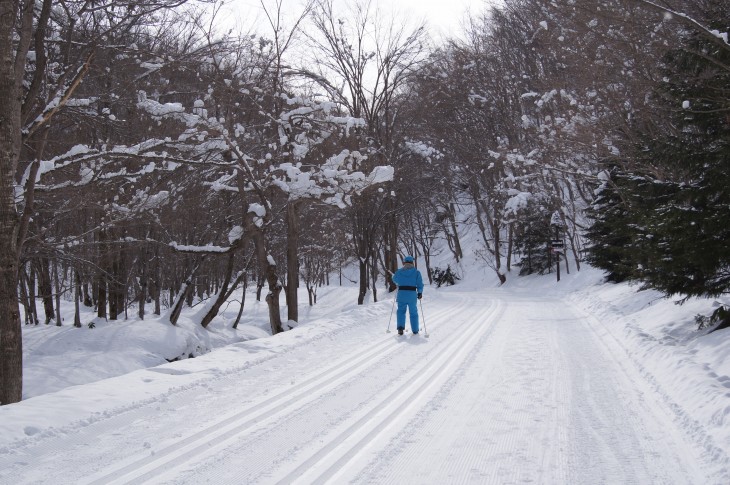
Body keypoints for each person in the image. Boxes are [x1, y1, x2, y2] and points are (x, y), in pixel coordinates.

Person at [392, 255, 424, 335]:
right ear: (412, 262)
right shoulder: (417, 272)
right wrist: (420, 292)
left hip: (402, 295)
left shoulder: (399, 272)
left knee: (401, 312)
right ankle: (415, 330)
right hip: (412, 296)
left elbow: (394, 279)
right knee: (413, 312)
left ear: (405, 262)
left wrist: (397, 279)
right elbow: (420, 284)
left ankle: (400, 328)